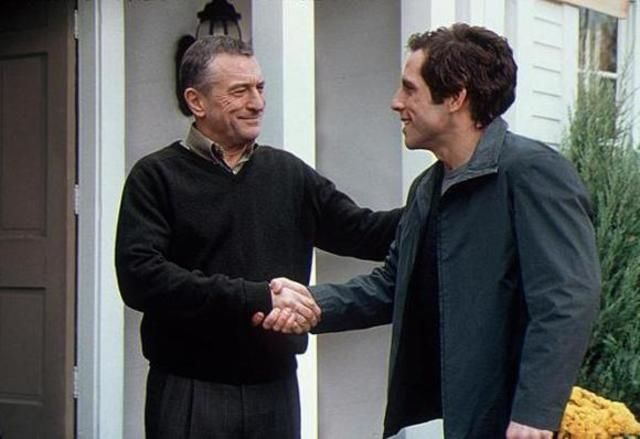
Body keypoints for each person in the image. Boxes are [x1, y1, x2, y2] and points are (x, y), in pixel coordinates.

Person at [257, 23, 601, 438]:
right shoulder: (428, 187)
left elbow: (566, 297)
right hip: (445, 418)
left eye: (410, 89)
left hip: (511, 422)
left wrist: (535, 413)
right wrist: (310, 303)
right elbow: (392, 284)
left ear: (455, 97)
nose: (396, 102)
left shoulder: (533, 172)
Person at [115, 35, 402, 439]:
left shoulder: (289, 174)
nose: (257, 102)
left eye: (260, 88)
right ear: (196, 101)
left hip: (275, 392)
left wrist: (443, 192)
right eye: (240, 91)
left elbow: (365, 233)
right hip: (189, 392)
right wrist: (257, 297)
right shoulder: (155, 176)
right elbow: (141, 279)